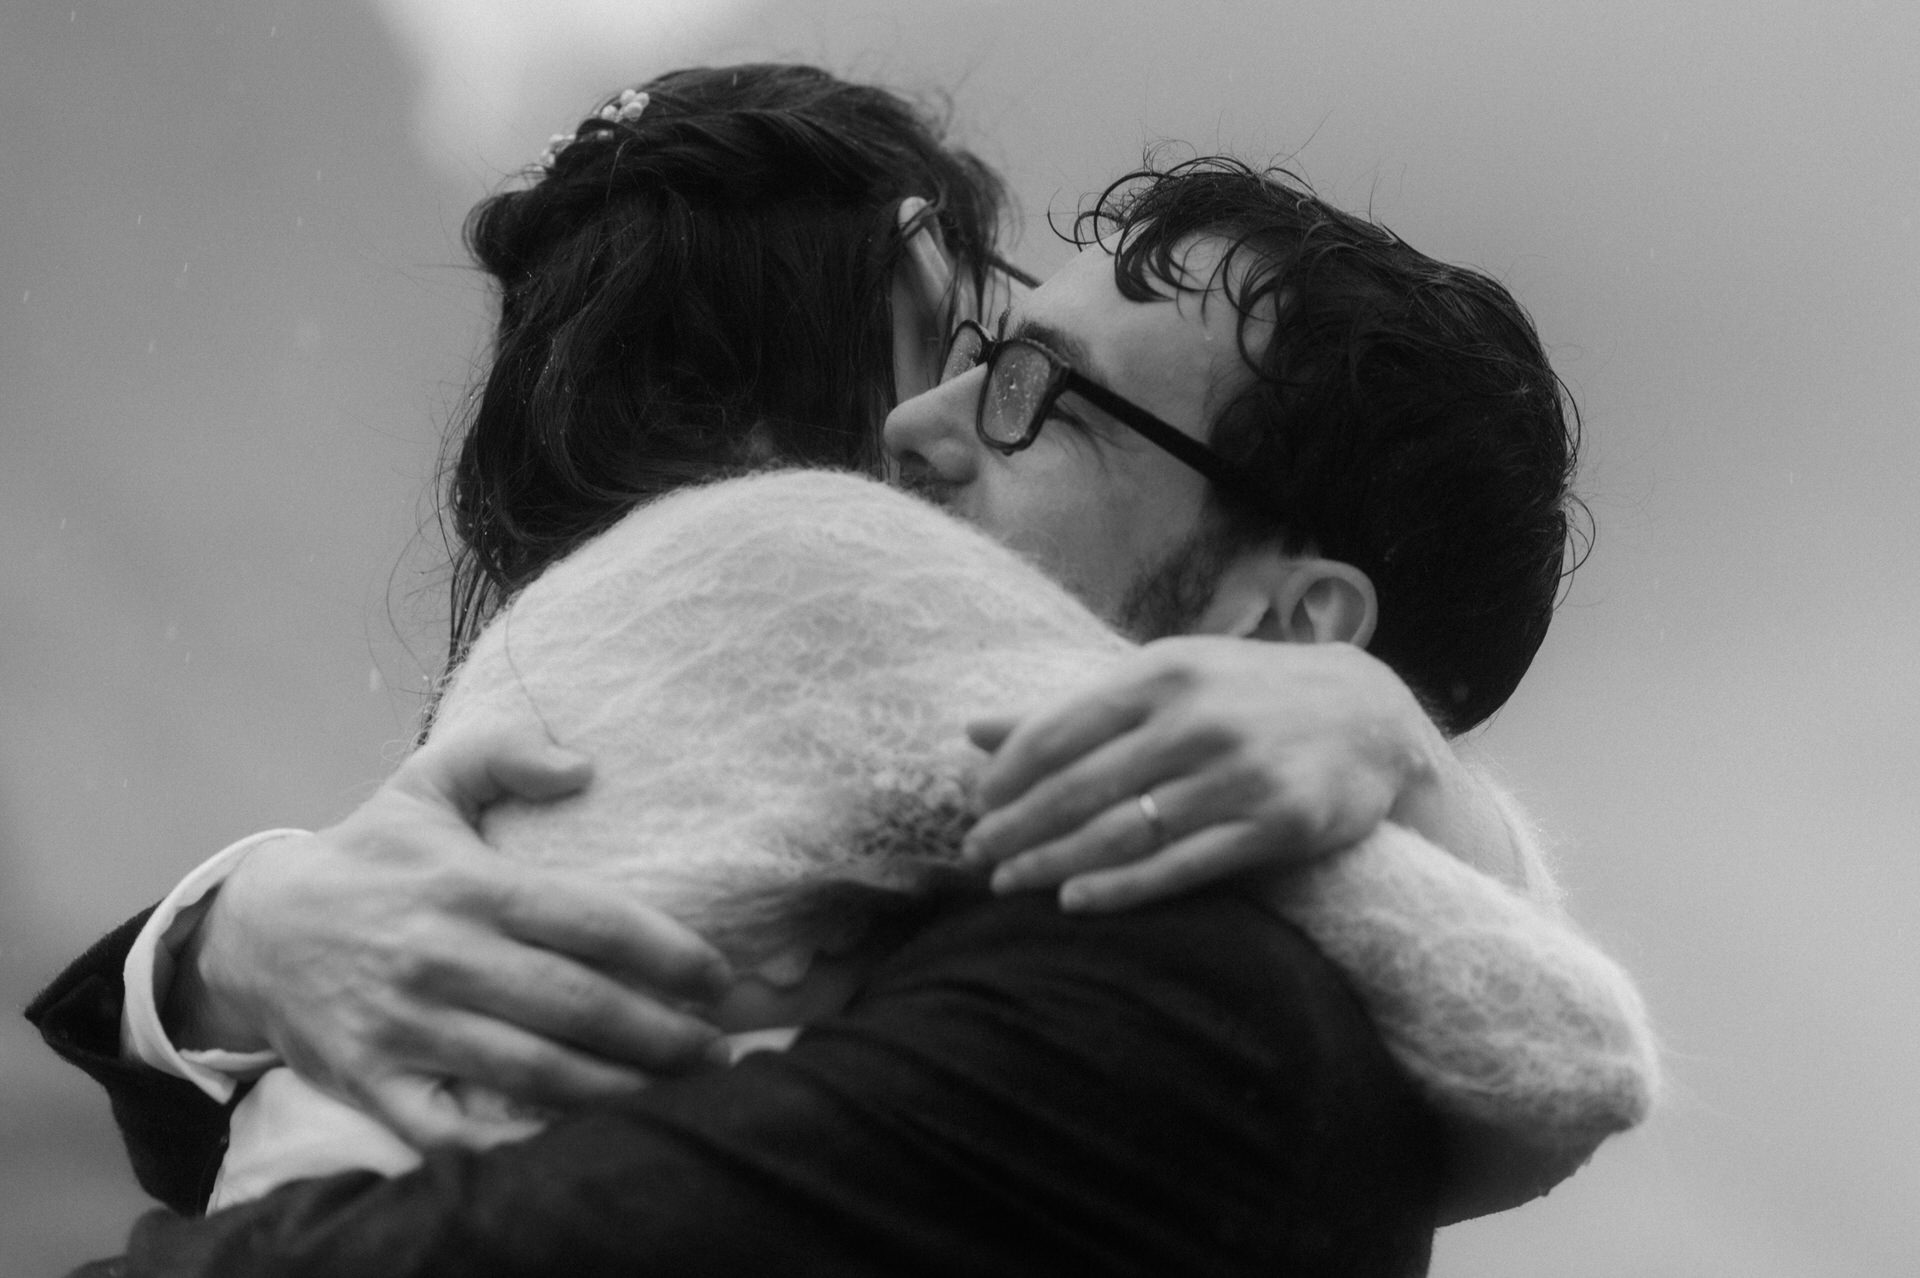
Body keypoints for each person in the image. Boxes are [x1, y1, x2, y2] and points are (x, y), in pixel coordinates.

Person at [29, 68, 1648, 1273]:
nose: (910, 432)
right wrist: (222, 944)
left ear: (1294, 631)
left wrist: (1406, 766)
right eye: (974, 353)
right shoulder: (928, 830)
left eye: (1036, 398)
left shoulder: (1208, 1012)